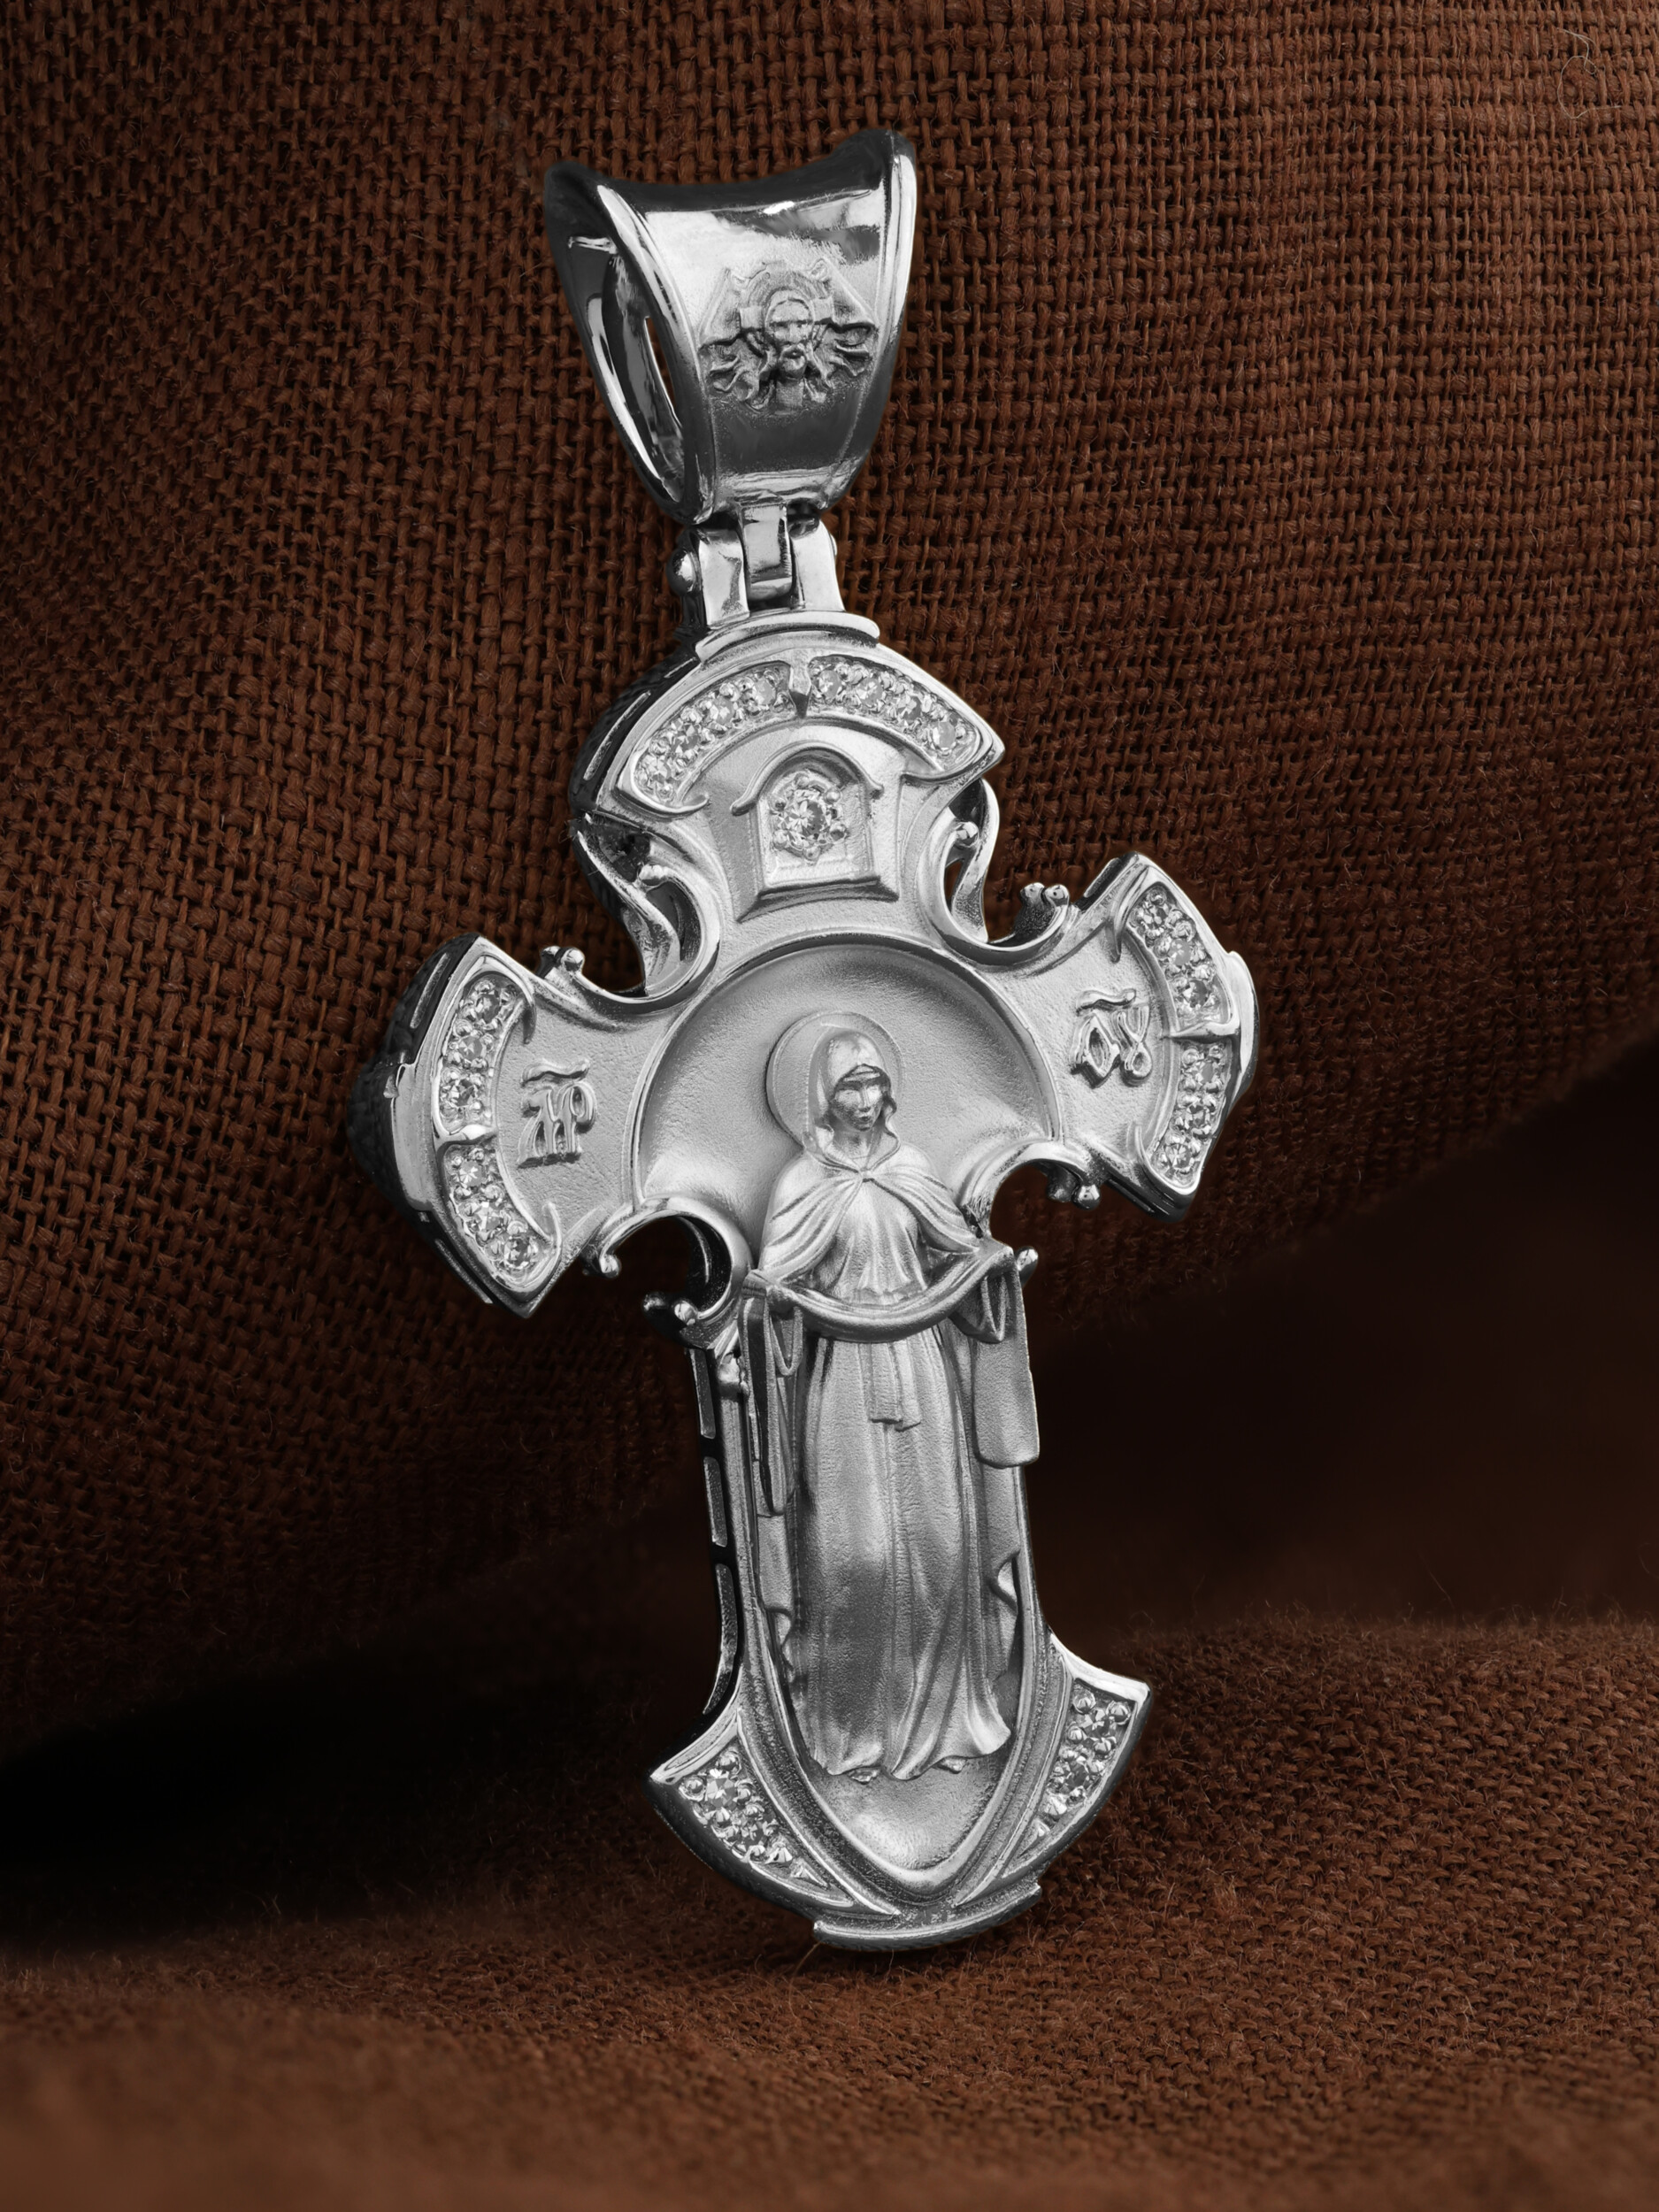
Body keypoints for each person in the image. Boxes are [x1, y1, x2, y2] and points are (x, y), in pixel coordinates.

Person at [753, 1024, 1030, 1783]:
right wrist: (773, 1307)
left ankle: (947, 1724)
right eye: (850, 1085)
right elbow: (774, 1290)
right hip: (843, 1379)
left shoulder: (912, 1169)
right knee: (859, 1556)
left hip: (923, 1369)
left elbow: (958, 1261)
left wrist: (992, 1270)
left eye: (875, 1082)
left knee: (941, 1547)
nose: (866, 1099)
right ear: (821, 1095)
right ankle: (852, 1731)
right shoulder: (801, 1186)